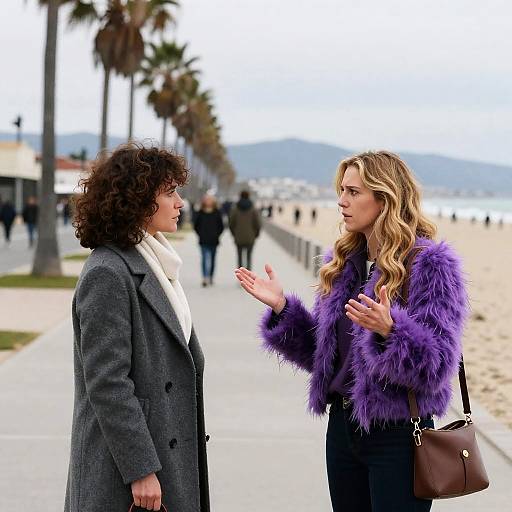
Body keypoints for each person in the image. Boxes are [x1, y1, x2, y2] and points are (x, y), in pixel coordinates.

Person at [235, 151, 467, 512]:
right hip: (342, 430)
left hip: (399, 434)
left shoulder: (430, 264)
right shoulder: (342, 263)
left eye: (353, 192)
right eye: (341, 190)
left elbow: (437, 368)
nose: (341, 201)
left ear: (385, 197)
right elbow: (325, 357)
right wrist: (282, 308)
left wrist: (392, 330)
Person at [65, 143, 210, 512]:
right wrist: (140, 469)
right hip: (126, 476)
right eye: (170, 192)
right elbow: (108, 383)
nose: (180, 203)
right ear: (139, 199)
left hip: (162, 456)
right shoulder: (108, 273)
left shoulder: (156, 264)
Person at [193, 194, 224, 287]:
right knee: (205, 258)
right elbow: (196, 225)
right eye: (207, 199)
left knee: (213, 259)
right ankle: (205, 277)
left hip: (214, 240)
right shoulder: (200, 212)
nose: (208, 201)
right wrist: (200, 234)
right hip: (203, 240)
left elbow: (221, 226)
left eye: (210, 200)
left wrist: (217, 234)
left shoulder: (217, 212)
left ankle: (210, 276)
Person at [229, 190, 261, 271]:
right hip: (250, 237)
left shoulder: (235, 208)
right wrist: (256, 234)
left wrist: (234, 234)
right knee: (249, 257)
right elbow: (257, 224)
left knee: (239, 257)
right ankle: (248, 275)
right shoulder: (253, 209)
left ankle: (241, 276)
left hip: (238, 237)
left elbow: (231, 223)